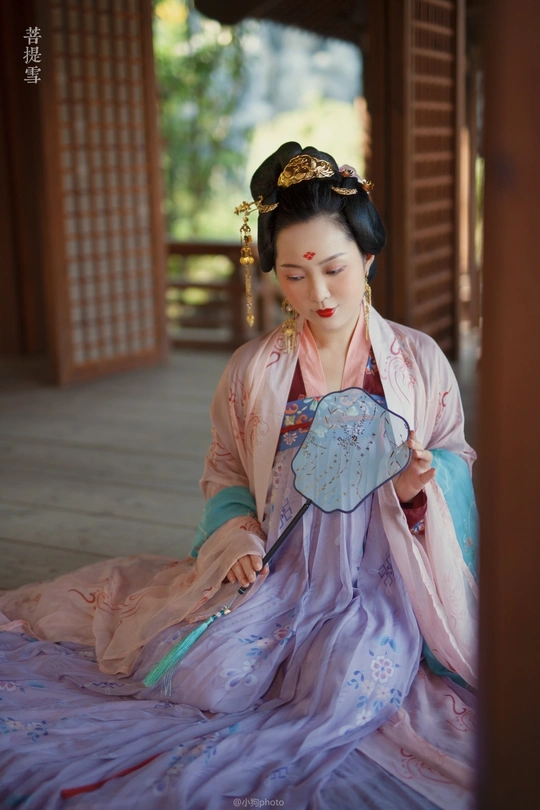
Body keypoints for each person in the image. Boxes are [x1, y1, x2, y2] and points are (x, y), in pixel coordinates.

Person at [0, 143, 478, 810]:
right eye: (295, 275)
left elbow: (454, 456)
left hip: (379, 581)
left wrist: (418, 489)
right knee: (205, 680)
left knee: (348, 689)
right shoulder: (255, 369)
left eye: (334, 269)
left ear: (368, 258)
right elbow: (226, 467)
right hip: (282, 570)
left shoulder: (417, 361)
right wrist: (237, 539)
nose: (318, 294)